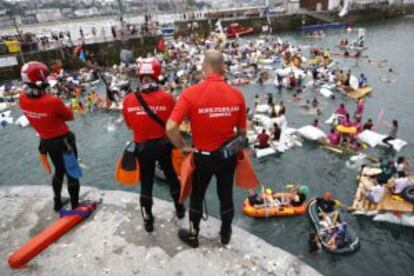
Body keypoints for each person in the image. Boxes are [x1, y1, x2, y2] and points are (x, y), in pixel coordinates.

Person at [166, 50, 247, 248]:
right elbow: (243, 134)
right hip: (226, 156)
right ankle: (225, 234)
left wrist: (183, 147)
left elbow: (170, 127)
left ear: (205, 67)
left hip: (202, 157)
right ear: (223, 68)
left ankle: (194, 235)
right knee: (225, 196)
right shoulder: (237, 95)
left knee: (197, 196)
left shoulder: (190, 93)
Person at [122, 57, 185, 233]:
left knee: (146, 184)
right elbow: (174, 125)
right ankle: (179, 209)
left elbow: (129, 125)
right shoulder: (168, 98)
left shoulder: (128, 100)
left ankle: (148, 220)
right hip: (163, 145)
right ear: (157, 75)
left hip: (142, 148)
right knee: (172, 176)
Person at [19, 61, 80, 212]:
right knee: (72, 173)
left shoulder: (22, 98)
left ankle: (57, 202)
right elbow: (70, 116)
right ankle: (75, 205)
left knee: (59, 171)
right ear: (40, 81)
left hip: (46, 141)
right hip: (64, 140)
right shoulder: (52, 101)